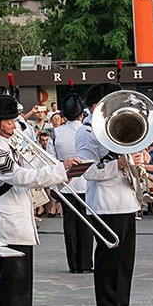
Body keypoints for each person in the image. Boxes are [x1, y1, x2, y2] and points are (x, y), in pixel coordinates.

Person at [0, 92, 65, 306]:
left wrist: (57, 170)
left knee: (23, 285)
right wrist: (58, 170)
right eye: (9, 122)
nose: (13, 126)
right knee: (13, 286)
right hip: (8, 222)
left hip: (19, 217)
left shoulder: (9, 142)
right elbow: (17, 176)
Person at [62, 101, 143, 306]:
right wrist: (119, 164)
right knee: (109, 264)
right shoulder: (87, 132)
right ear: (97, 105)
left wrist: (135, 163)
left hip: (126, 201)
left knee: (125, 263)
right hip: (106, 204)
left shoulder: (116, 126)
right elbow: (88, 171)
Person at [51, 95, 96, 273]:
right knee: (86, 224)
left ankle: (73, 264)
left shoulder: (56, 133)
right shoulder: (89, 131)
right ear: (81, 114)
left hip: (66, 182)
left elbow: (51, 159)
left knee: (69, 224)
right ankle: (85, 264)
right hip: (87, 181)